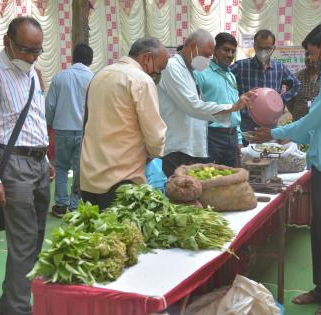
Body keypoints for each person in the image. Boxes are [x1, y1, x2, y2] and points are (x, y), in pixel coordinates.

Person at [251, 23, 321, 315]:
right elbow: (317, 126)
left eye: (311, 53)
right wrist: (288, 135)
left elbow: (312, 120)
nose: (311, 59)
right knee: (318, 229)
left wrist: (274, 132)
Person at [0, 17, 54, 315]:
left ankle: (10, 305)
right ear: (8, 42)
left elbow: (33, 117)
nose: (32, 57)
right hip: (13, 164)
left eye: (37, 51)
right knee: (23, 242)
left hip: (38, 162)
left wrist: (45, 158)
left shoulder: (31, 72)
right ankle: (17, 310)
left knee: (37, 237)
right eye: (26, 50)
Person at [79, 37, 167, 210]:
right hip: (123, 179)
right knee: (122, 236)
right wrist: (154, 153)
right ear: (147, 58)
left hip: (90, 176)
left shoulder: (100, 75)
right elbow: (155, 136)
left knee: (95, 234)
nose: (159, 73)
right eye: (159, 68)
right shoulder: (142, 80)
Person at [158, 29, 254, 177]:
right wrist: (232, 107)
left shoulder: (191, 71)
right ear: (193, 45)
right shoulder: (172, 67)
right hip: (177, 148)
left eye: (209, 56)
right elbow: (191, 106)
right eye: (205, 55)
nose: (207, 60)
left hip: (194, 145)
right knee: (179, 193)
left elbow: (200, 108)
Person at [46, 43, 94, 217]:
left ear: (72, 57)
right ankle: (74, 206)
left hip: (62, 130)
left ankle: (60, 205)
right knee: (79, 169)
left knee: (60, 168)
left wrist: (49, 124)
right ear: (91, 60)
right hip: (84, 131)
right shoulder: (95, 78)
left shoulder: (60, 77)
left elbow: (50, 105)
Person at [230, 29, 300, 134]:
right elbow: (223, 80)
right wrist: (234, 101)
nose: (263, 52)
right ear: (254, 46)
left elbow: (296, 84)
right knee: (246, 150)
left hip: (270, 127)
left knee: (270, 150)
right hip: (246, 125)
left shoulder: (279, 68)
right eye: (260, 48)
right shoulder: (241, 66)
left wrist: (280, 100)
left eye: (267, 48)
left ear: (273, 48)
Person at [194, 32, 242, 167]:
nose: (230, 55)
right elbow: (194, 107)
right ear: (214, 50)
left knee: (231, 181)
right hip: (211, 137)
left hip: (232, 137)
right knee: (210, 179)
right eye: (226, 49)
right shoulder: (201, 72)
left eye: (233, 51)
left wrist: (238, 140)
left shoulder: (231, 75)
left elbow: (235, 110)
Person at [285, 45, 320, 121]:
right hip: (299, 126)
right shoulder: (295, 78)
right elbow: (289, 102)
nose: (309, 58)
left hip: (319, 127)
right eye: (307, 54)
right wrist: (300, 113)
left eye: (312, 54)